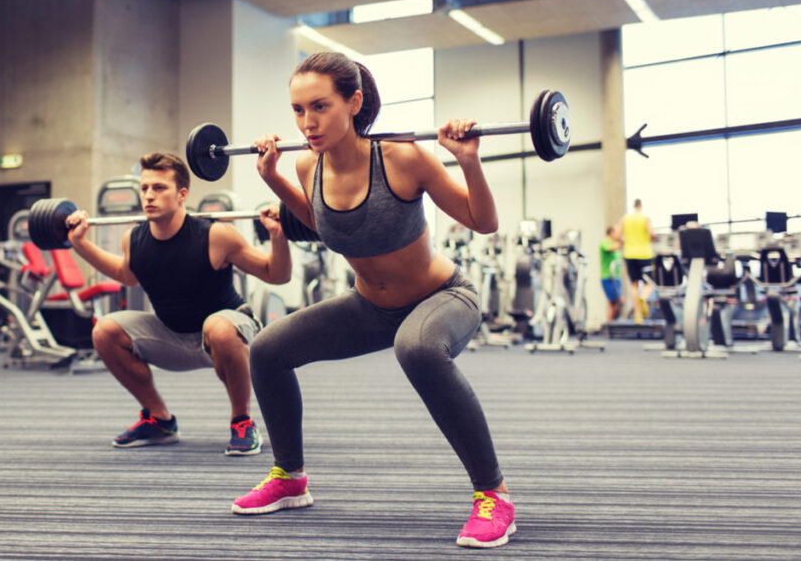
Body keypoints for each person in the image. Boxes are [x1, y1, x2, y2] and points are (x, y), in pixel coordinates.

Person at [233, 52, 514, 549]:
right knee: (268, 348)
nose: (307, 122)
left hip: (442, 297)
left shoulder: (403, 158)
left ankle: (494, 495)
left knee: (418, 348)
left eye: (319, 107)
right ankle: (289, 477)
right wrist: (273, 178)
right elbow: (326, 227)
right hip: (370, 307)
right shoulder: (306, 164)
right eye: (298, 110)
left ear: (354, 102)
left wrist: (468, 160)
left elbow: (482, 221)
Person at [65, 152, 292, 456]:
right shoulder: (134, 238)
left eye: (159, 188)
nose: (149, 196)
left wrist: (278, 237)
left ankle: (242, 421)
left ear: (182, 194)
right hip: (172, 334)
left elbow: (276, 275)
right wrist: (80, 244)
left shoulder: (216, 235)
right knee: (104, 330)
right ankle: (159, 419)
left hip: (226, 334)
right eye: (144, 188)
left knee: (218, 327)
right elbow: (126, 275)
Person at [616, 199, 655, 324]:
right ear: (641, 206)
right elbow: (652, 234)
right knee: (650, 283)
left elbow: (617, 236)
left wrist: (626, 241)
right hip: (644, 254)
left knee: (634, 284)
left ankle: (638, 316)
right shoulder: (645, 219)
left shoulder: (625, 219)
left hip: (629, 254)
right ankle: (643, 297)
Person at [600, 225, 623, 321]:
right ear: (611, 233)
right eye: (617, 232)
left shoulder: (615, 244)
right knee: (615, 302)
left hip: (616, 278)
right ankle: (610, 325)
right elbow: (612, 248)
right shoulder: (605, 243)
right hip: (608, 277)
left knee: (617, 303)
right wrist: (622, 241)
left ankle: (612, 324)